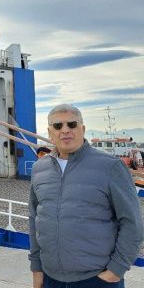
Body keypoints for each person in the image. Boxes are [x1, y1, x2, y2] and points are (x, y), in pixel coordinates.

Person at [29, 104, 144, 288]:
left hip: (97, 279)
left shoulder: (110, 167)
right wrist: (36, 268)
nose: (65, 130)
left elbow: (132, 222)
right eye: (58, 126)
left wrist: (116, 271)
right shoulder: (39, 168)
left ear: (82, 129)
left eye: (72, 124)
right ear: (50, 132)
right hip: (50, 278)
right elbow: (35, 218)